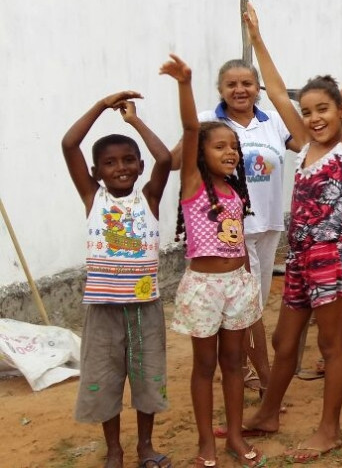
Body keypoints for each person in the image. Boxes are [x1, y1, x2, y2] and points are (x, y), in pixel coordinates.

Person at [232, 0, 342, 462]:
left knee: (330, 344)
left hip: (335, 257)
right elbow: (276, 88)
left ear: (341, 111)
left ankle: (330, 429)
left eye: (323, 109)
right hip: (301, 256)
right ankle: (268, 413)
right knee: (285, 340)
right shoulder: (304, 145)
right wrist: (258, 40)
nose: (313, 117)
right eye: (307, 111)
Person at [172, 53, 301, 395]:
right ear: (220, 89)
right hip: (232, 230)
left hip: (270, 223)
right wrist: (192, 140)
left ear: (257, 88)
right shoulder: (206, 121)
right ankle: (263, 378)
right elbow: (175, 159)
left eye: (246, 83)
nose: (240, 90)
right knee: (252, 308)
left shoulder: (272, 121)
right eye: (231, 84)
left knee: (248, 304)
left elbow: (305, 145)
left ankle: (240, 367)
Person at [62, 90, 172, 468]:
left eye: (128, 161)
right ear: (96, 172)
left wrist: (134, 121)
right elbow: (69, 143)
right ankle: (114, 450)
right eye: (109, 163)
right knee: (105, 378)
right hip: (103, 310)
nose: (120, 167)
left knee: (147, 378)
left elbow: (166, 158)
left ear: (140, 166)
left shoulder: (150, 199)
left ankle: (145, 446)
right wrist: (99, 106)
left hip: (146, 308)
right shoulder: (93, 198)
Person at [164, 54, 264, 468]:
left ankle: (235, 437)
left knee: (234, 364)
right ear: (200, 153)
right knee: (205, 366)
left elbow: (238, 242)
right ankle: (206, 441)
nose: (229, 152)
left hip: (237, 285)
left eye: (234, 147)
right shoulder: (192, 183)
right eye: (219, 146)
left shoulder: (236, 191)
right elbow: (190, 128)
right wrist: (185, 85)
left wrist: (247, 279)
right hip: (202, 287)